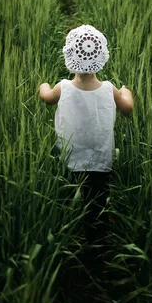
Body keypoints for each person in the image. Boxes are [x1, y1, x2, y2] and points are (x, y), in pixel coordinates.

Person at [38, 25, 133, 243]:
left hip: (70, 156)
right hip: (100, 157)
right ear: (101, 56)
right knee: (98, 196)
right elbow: (128, 109)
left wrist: (43, 86)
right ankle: (97, 234)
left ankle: (72, 230)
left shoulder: (62, 87)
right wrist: (127, 91)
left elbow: (46, 98)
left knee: (71, 193)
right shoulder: (110, 89)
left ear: (70, 56)